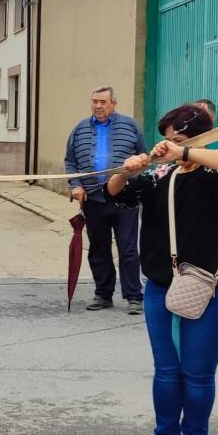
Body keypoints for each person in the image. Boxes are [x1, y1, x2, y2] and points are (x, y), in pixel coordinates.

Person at [106, 104, 218, 435]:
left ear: (200, 138)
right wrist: (126, 169)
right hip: (163, 286)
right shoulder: (160, 175)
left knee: (197, 373)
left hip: (214, 288)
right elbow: (116, 193)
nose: (167, 146)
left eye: (178, 139)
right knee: (167, 371)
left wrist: (183, 152)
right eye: (165, 138)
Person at [64, 86, 147, 314]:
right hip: (93, 200)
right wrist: (76, 186)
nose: (98, 106)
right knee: (98, 248)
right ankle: (103, 294)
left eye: (103, 102)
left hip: (124, 200)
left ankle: (134, 296)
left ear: (113, 104)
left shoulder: (130, 126)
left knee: (128, 248)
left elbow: (143, 158)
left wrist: (136, 184)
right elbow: (70, 162)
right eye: (94, 102)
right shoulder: (80, 129)